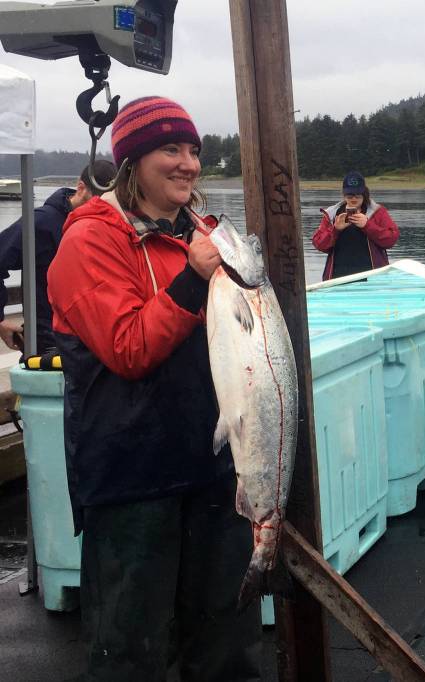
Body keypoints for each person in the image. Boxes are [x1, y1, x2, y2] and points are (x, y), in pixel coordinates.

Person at [47, 96, 260, 681]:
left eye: (193, 150)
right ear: (132, 161)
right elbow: (129, 349)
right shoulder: (89, 242)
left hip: (213, 471)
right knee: (130, 650)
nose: (188, 163)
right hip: (131, 482)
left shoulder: (199, 235)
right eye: (171, 149)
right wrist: (194, 280)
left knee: (226, 644)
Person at [0, 160, 116, 353]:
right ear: (81, 188)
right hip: (47, 342)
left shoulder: (104, 225)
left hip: (91, 342)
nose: (102, 208)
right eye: (97, 201)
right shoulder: (41, 222)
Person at [311, 170, 399, 280]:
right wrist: (335, 230)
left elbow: (391, 239)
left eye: (358, 195)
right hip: (337, 278)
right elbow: (319, 244)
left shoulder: (378, 212)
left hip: (373, 278)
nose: (353, 199)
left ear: (364, 194)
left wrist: (367, 225)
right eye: (350, 195)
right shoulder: (332, 214)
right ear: (344, 194)